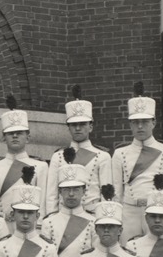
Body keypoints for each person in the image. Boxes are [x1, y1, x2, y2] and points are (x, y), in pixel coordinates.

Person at [111, 82, 163, 236]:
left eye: (145, 122)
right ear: (130, 124)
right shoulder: (120, 153)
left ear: (153, 122)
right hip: (129, 214)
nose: (140, 127)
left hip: (157, 213)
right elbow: (117, 192)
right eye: (136, 122)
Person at [44, 85, 113, 218]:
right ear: (68, 127)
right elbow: (51, 195)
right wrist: (51, 220)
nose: (78, 128)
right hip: (62, 217)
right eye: (73, 125)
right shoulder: (58, 156)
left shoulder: (103, 156)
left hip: (92, 217)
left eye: (82, 124)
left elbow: (106, 195)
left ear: (91, 126)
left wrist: (104, 219)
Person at [0, 96, 44, 217]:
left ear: (28, 137)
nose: (14, 136)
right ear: (3, 137)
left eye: (19, 133)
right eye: (10, 133)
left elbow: (42, 206)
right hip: (1, 228)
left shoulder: (40, 167)